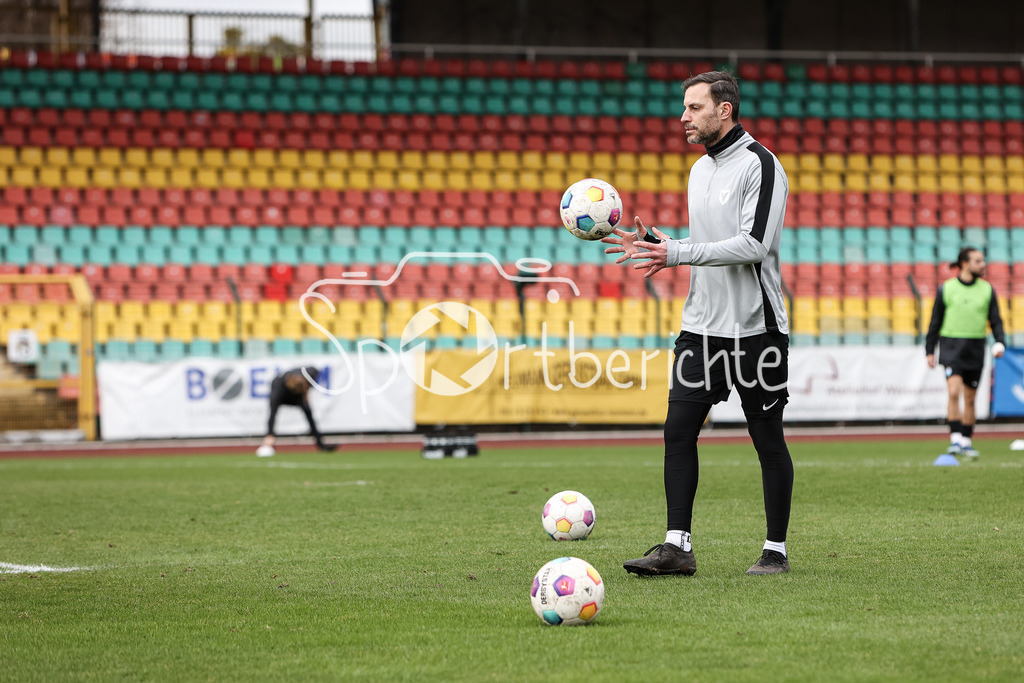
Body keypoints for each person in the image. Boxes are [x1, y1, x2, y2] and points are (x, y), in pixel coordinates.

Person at [602, 71, 793, 576]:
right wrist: (661, 245)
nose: (683, 117)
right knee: (678, 431)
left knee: (766, 438)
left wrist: (679, 252)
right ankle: (676, 547)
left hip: (756, 330)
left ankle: (775, 549)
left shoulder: (762, 165)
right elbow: (710, 240)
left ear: (724, 109)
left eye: (693, 107)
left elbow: (753, 244)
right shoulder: (698, 170)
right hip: (701, 327)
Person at [925, 247, 1006, 458]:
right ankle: (955, 440)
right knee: (953, 392)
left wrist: (1000, 342)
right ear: (964, 263)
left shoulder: (987, 289)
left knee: (970, 399)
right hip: (951, 346)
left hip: (976, 347)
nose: (983, 265)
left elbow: (996, 321)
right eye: (978, 261)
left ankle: (967, 442)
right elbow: (935, 321)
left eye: (983, 261)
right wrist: (929, 350)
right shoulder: (947, 288)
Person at [257, 366, 336, 456]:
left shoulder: (309, 373)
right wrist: (269, 434)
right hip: (285, 395)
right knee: (273, 414)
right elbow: (272, 414)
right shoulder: (277, 390)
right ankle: (270, 440)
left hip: (299, 395)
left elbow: (315, 370)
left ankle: (320, 444)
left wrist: (306, 392)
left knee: (309, 415)